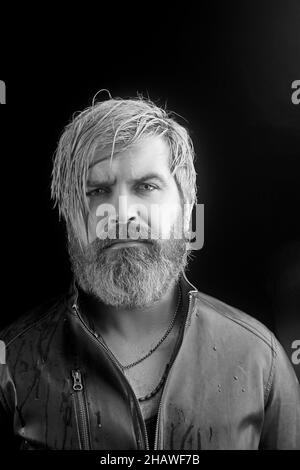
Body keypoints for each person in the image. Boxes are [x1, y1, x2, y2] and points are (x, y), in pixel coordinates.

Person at [0, 95, 299, 450]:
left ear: (187, 210)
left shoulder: (258, 359)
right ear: (68, 218)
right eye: (97, 191)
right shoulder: (11, 362)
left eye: (146, 186)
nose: (122, 212)